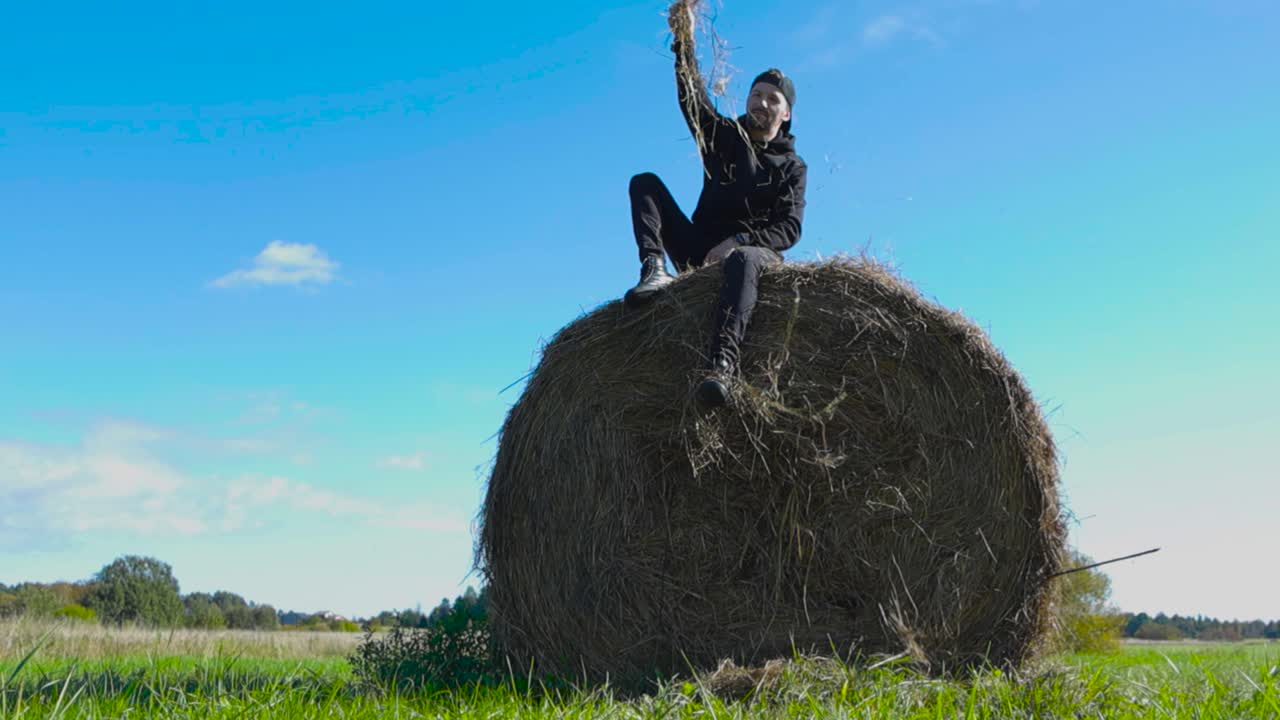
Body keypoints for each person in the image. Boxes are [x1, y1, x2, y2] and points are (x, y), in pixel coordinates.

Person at [624, 0, 808, 409]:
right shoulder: (724, 136)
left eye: (772, 99)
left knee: (743, 260)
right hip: (699, 250)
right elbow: (692, 96)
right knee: (645, 183)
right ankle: (655, 269)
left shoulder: (793, 166)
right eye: (756, 94)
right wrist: (683, 38)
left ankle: (721, 366)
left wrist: (739, 240)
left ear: (787, 112)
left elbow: (790, 229)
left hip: (754, 256)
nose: (761, 103)